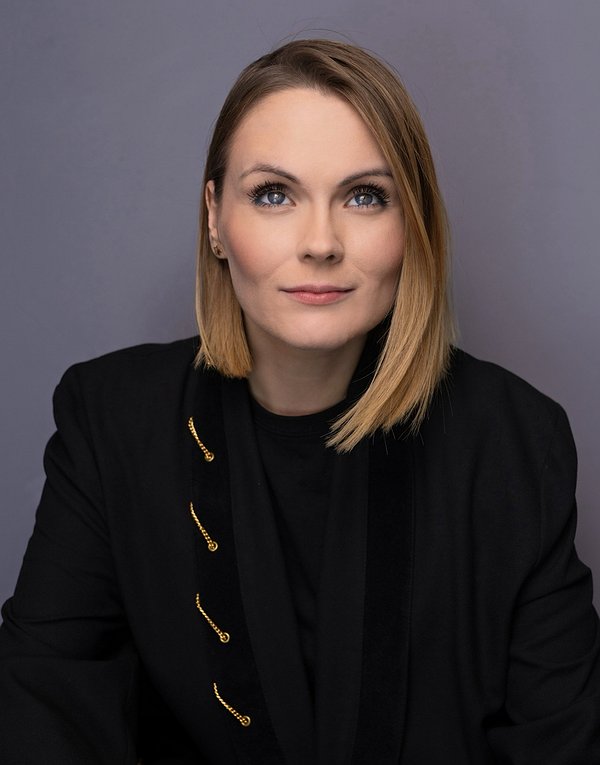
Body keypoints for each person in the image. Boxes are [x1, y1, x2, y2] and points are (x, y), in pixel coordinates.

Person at [1, 38, 599, 765]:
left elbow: (558, 742)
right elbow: (45, 708)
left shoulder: (515, 440)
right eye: (274, 194)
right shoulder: (110, 422)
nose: (321, 243)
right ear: (215, 218)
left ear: (412, 225)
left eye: (365, 196)